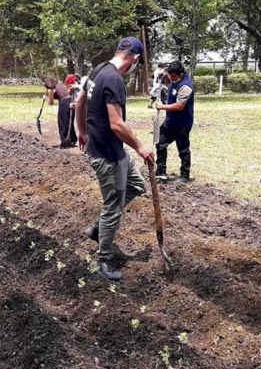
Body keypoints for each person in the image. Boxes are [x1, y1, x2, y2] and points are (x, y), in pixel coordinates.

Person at [75, 37, 156, 281]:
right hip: (107, 155)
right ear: (135, 58)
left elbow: (79, 101)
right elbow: (117, 124)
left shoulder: (98, 69)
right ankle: (105, 260)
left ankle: (98, 229)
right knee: (112, 208)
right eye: (137, 64)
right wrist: (142, 147)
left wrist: (81, 130)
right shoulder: (114, 80)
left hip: (112, 149)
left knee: (136, 186)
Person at [154, 61, 195, 183]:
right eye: (170, 76)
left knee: (183, 149)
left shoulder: (186, 86)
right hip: (170, 121)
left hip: (182, 123)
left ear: (181, 74)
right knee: (160, 143)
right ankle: (161, 172)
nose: (172, 78)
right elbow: (167, 80)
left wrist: (162, 107)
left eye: (174, 76)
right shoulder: (174, 80)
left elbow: (179, 106)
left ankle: (184, 175)